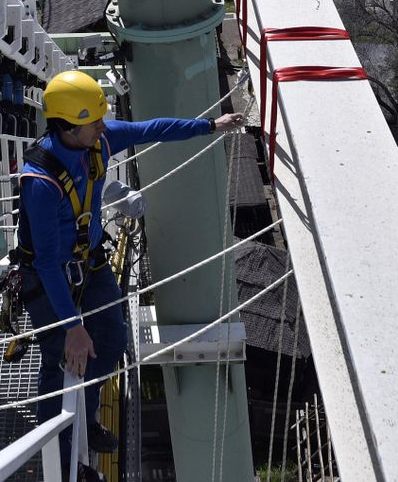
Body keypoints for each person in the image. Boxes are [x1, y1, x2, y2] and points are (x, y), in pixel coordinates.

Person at [16, 70, 243, 476]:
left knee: (112, 341)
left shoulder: (97, 140)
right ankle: (63, 454)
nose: (103, 126)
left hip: (91, 262)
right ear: (67, 126)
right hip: (50, 277)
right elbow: (48, 263)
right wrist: (72, 326)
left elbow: (152, 128)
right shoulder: (41, 181)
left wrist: (210, 125)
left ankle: (83, 418)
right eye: (94, 121)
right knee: (62, 361)